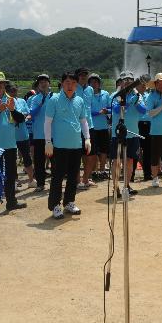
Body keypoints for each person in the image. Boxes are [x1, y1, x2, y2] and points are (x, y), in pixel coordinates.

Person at [45, 71, 91, 219]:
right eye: (67, 82)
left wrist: (87, 138)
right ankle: (55, 205)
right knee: (57, 177)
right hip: (59, 146)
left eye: (73, 83)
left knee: (73, 176)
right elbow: (47, 122)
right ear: (62, 83)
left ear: (76, 85)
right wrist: (48, 142)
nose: (70, 85)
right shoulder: (54, 99)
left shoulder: (80, 101)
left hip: (76, 145)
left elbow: (83, 121)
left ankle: (69, 202)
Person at [0, 71, 28, 211]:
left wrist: (12, 110)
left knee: (11, 175)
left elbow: (21, 119)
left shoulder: (12, 99)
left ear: (5, 84)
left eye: (0, 83)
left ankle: (11, 202)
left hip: (10, 144)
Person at [109, 73, 145, 196]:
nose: (128, 82)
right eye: (125, 80)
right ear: (120, 82)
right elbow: (115, 110)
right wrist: (127, 102)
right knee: (116, 161)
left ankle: (126, 186)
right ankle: (115, 187)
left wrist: (136, 102)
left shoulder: (138, 95)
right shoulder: (115, 95)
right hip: (118, 134)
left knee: (130, 161)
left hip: (133, 133)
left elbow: (143, 110)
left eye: (130, 80)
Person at [27, 74, 53, 191]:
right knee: (39, 161)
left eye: (45, 81)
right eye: (41, 82)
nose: (43, 83)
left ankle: (55, 183)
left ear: (49, 83)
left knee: (55, 160)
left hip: (53, 134)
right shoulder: (34, 99)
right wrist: (41, 103)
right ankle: (40, 184)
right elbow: (31, 114)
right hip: (38, 134)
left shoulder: (55, 97)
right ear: (38, 85)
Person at [75, 67, 97, 190]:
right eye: (81, 75)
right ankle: (78, 181)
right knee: (77, 155)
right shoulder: (73, 87)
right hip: (76, 127)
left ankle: (85, 179)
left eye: (85, 75)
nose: (83, 77)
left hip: (90, 126)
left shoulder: (90, 89)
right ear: (77, 76)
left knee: (91, 155)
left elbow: (90, 107)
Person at [88, 73, 112, 181]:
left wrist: (107, 111)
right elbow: (86, 111)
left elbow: (110, 108)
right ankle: (94, 172)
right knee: (93, 152)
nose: (94, 84)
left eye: (96, 81)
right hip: (92, 128)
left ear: (99, 83)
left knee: (104, 151)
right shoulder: (87, 95)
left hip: (103, 127)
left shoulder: (106, 94)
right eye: (92, 82)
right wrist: (99, 112)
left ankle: (102, 171)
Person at [14, 86, 36, 188]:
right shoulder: (5, 101)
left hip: (23, 134)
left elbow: (29, 114)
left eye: (15, 90)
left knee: (27, 157)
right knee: (12, 159)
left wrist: (24, 118)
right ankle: (15, 180)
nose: (13, 92)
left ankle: (31, 180)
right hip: (11, 136)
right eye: (11, 91)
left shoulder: (22, 101)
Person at [136, 75, 153, 182]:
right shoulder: (135, 96)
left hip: (148, 125)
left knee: (148, 151)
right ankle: (131, 175)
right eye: (141, 84)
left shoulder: (149, 96)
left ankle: (147, 174)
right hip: (137, 124)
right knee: (135, 150)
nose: (143, 86)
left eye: (144, 84)